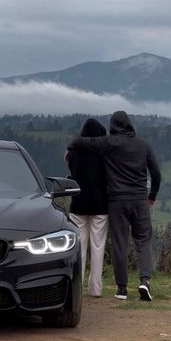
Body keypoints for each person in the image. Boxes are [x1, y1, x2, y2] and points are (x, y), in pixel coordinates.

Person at [67, 111, 161, 301]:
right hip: (139, 199)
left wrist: (70, 147)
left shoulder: (108, 143)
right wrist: (151, 195)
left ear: (113, 126)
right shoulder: (144, 146)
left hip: (117, 201)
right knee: (143, 241)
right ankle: (144, 280)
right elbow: (156, 173)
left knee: (119, 243)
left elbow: (80, 142)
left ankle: (122, 289)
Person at [65, 118, 108, 297]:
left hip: (78, 203)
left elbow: (70, 170)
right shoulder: (105, 152)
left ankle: (77, 287)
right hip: (100, 203)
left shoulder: (72, 152)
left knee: (79, 246)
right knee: (98, 245)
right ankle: (95, 288)